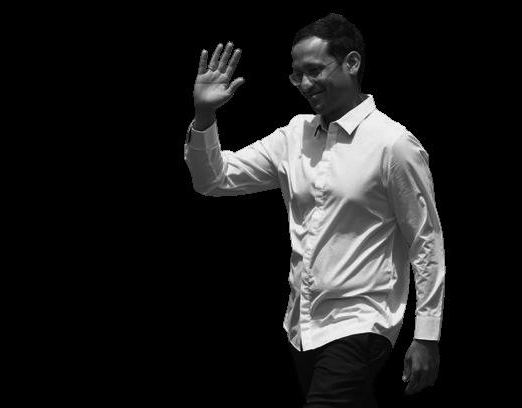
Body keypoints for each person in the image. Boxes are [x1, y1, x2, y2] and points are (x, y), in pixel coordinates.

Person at [184, 13, 445, 407]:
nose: (305, 84)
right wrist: (205, 116)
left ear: (352, 63)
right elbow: (214, 179)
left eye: (315, 70)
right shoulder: (294, 136)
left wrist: (426, 335)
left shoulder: (393, 144)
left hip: (362, 321)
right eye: (297, 74)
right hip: (301, 326)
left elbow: (425, 240)